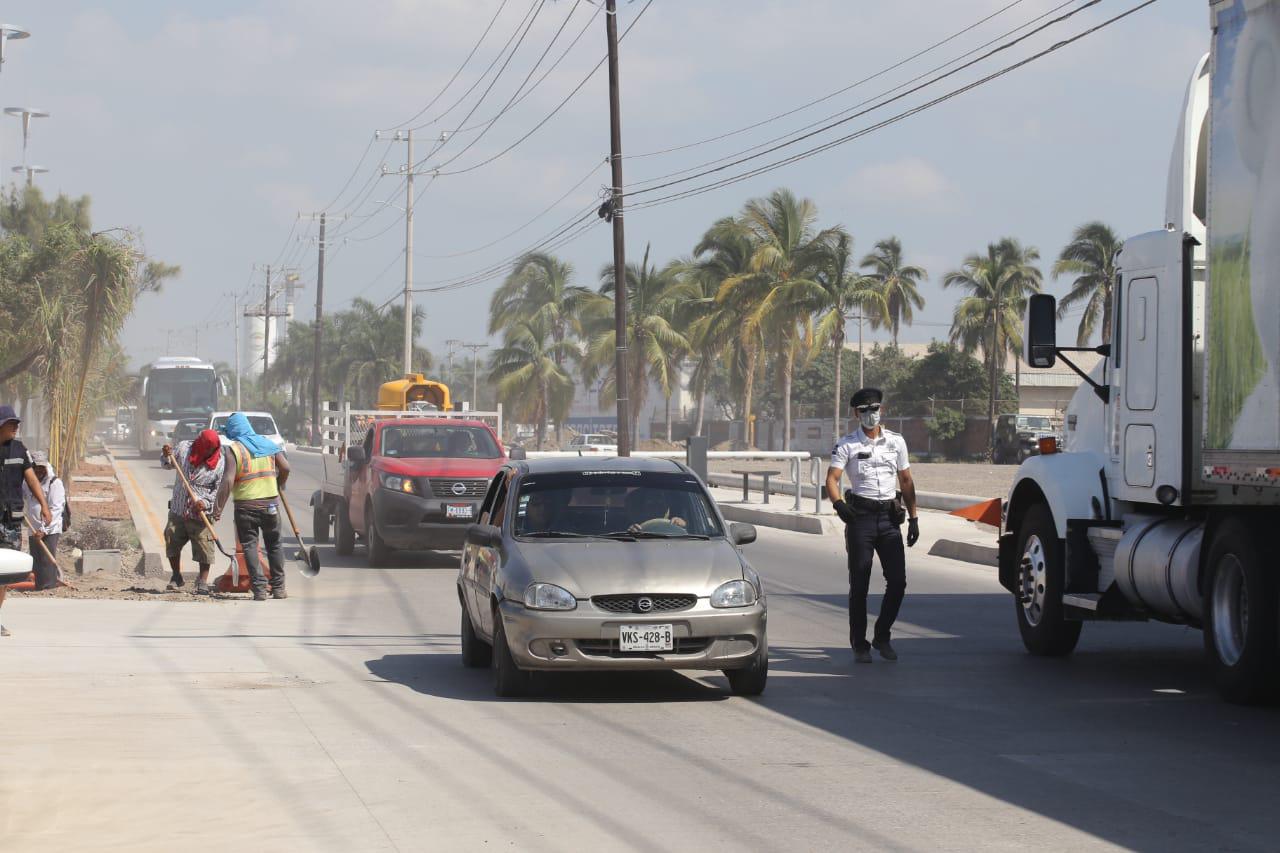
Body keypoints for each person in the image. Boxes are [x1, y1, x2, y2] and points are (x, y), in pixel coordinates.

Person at [825, 388, 919, 664]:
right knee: (860, 584)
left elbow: (906, 480)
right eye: (864, 410)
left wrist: (914, 518)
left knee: (898, 582)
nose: (870, 414)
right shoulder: (847, 445)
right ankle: (860, 644)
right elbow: (831, 479)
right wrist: (839, 504)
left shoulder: (896, 442)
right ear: (856, 413)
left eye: (874, 408)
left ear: (882, 410)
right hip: (861, 519)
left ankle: (882, 635)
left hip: (889, 519)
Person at [213, 412, 290, 601]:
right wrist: (279, 483)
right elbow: (286, 468)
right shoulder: (268, 444)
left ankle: (260, 589)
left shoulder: (234, 450)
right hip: (270, 504)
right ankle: (279, 588)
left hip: (245, 507)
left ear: (233, 431)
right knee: (274, 545)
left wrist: (218, 508)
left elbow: (228, 480)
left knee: (249, 546)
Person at [0, 405, 51, 636]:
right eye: (11, 423)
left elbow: (31, 479)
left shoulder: (20, 449)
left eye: (16, 423)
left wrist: (44, 505)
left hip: (11, 522)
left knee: (3, 575)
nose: (16, 427)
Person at [161, 429, 226, 594]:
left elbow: (216, 490)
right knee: (171, 539)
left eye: (212, 449)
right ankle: (176, 576)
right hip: (178, 508)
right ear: (199, 443)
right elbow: (167, 464)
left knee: (204, 546)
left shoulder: (219, 462)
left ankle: (202, 582)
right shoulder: (184, 448)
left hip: (200, 514)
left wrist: (205, 503)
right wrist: (166, 455)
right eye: (206, 448)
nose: (209, 452)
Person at [23, 451, 65, 590]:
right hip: (33, 528)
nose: (39, 471)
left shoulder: (54, 483)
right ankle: (39, 586)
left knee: (47, 560)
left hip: (50, 529)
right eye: (36, 467)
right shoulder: (27, 483)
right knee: (36, 560)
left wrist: (44, 529)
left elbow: (56, 509)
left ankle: (49, 587)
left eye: (42, 467)